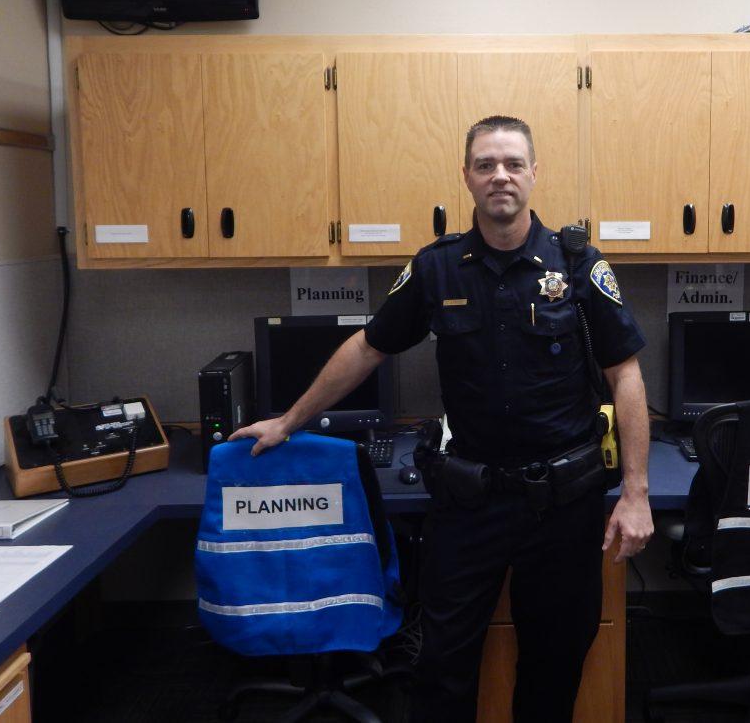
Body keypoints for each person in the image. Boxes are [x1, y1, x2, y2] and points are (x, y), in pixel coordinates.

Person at [230, 115, 653, 722]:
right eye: (485, 165)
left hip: (565, 504)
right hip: (470, 501)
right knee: (441, 668)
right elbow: (368, 347)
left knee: (554, 666)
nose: (499, 176)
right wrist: (288, 421)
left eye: (512, 164)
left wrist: (635, 492)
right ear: (466, 177)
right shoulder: (437, 268)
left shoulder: (578, 264)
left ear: (535, 173)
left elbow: (626, 375)